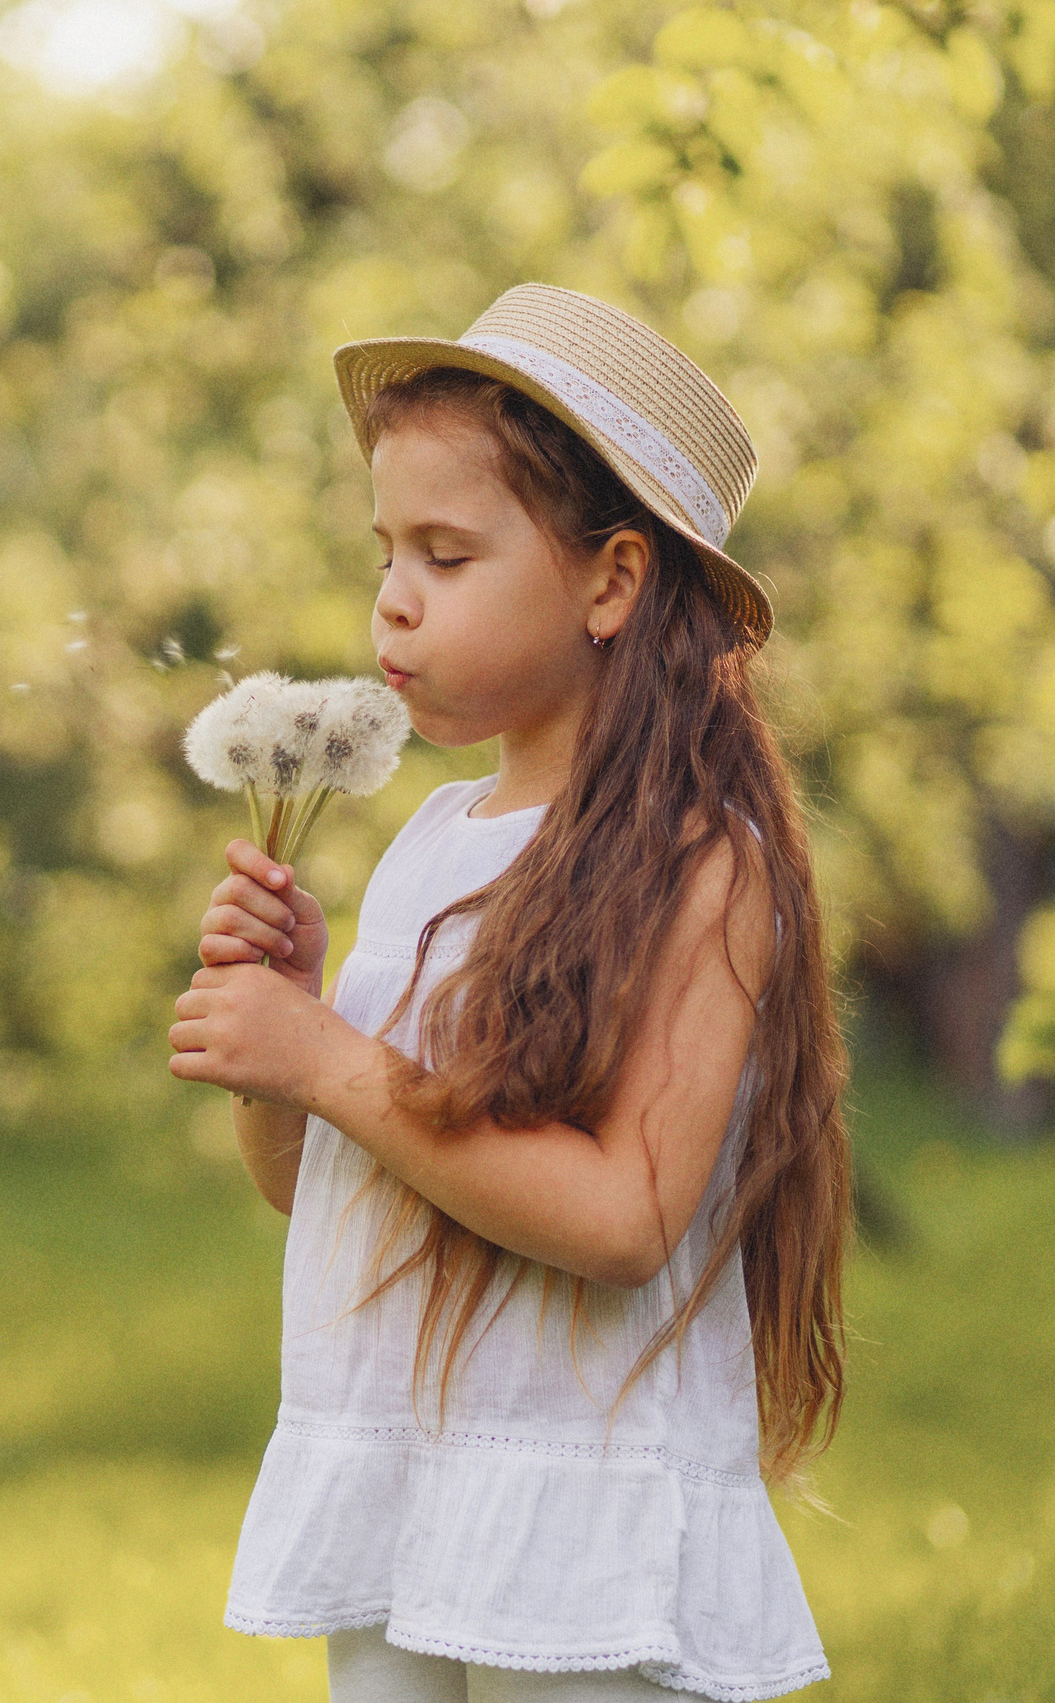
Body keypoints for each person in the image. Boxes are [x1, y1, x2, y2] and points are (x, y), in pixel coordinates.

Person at [165, 282, 853, 1702]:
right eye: (387, 553)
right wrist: (286, 1039)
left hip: (577, 1513)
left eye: (449, 554)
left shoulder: (701, 870)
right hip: (406, 1481)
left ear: (610, 582)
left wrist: (331, 1064)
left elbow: (620, 1221)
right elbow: (328, 1190)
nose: (394, 598)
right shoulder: (431, 843)